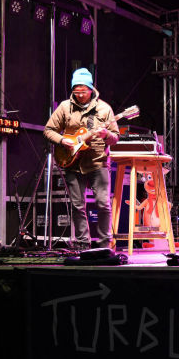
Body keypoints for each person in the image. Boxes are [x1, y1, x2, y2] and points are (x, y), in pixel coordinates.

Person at [44, 68, 119, 250]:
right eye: (76, 91)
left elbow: (115, 137)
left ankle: (104, 244)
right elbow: (48, 130)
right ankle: (82, 244)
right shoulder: (64, 107)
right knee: (77, 206)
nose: (79, 95)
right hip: (72, 162)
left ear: (91, 89)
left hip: (97, 162)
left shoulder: (104, 109)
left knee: (103, 204)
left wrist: (106, 134)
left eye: (83, 91)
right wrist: (62, 140)